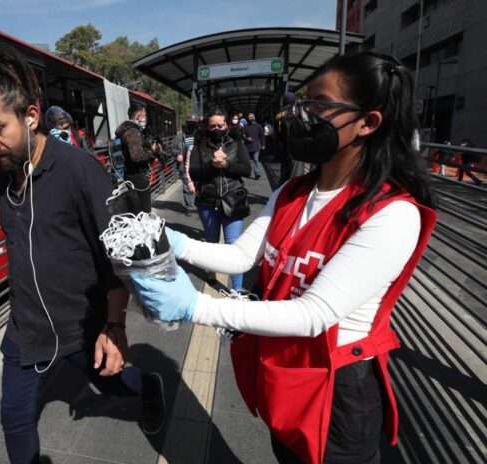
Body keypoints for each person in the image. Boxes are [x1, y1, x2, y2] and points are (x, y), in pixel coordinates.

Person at [130, 52, 437, 464]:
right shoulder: (293, 191)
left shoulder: (391, 214)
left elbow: (313, 315)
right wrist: (173, 243)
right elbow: (242, 256)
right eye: (302, 104)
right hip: (284, 369)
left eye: (320, 106)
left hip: (335, 389)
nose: (301, 116)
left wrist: (195, 307)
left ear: (368, 122)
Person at [0, 44, 165, 464]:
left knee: (111, 385)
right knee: (14, 419)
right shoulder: (1, 181)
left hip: (80, 325)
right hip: (25, 329)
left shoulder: (78, 169)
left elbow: (119, 256)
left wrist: (114, 327)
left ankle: (149, 386)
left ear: (31, 116)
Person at [189, 107, 251, 291]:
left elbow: (247, 169)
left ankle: (237, 290)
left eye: (221, 125)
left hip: (233, 199)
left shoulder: (236, 142)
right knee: (212, 241)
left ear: (227, 123)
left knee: (234, 248)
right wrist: (212, 165)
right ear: (206, 127)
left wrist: (227, 164)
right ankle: (211, 270)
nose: (217, 129)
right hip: (207, 201)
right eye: (213, 126)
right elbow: (194, 172)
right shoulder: (199, 146)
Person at [115, 102, 158, 212]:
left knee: (136, 207)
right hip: (136, 176)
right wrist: (151, 152)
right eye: (145, 116)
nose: (145, 118)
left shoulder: (126, 130)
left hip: (130, 174)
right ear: (139, 116)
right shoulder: (133, 131)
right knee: (143, 210)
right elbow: (136, 156)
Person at [170, 117, 198, 215]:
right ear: (186, 123)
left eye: (194, 123)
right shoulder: (180, 136)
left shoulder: (199, 135)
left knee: (198, 185)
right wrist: (178, 154)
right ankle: (189, 207)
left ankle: (199, 204)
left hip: (197, 165)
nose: (192, 125)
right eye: (190, 123)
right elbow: (172, 148)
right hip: (184, 166)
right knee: (186, 187)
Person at [243, 112, 265, 180]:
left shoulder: (258, 126)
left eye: (252, 117)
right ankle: (247, 172)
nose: (251, 118)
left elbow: (262, 136)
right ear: (247, 118)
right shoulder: (245, 127)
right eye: (249, 117)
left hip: (256, 146)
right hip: (248, 146)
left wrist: (263, 144)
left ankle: (257, 173)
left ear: (254, 117)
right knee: (248, 161)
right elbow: (242, 136)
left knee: (256, 159)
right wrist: (246, 138)